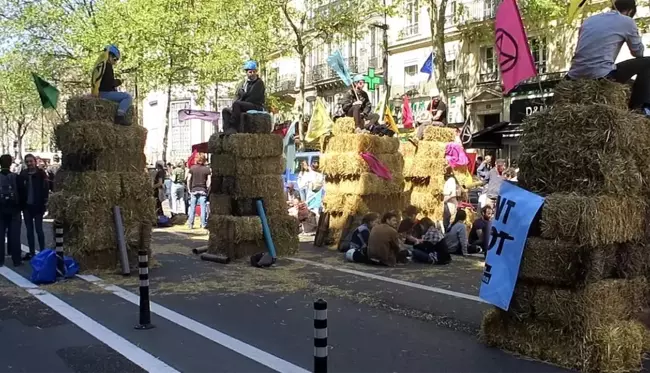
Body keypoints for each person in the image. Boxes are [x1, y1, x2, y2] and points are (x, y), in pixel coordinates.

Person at [567, 0, 649, 113]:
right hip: (600, 75)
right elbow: (638, 53)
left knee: (628, 82)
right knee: (648, 63)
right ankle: (640, 109)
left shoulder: (589, 20)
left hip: (574, 76)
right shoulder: (627, 21)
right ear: (630, 11)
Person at [93, 45, 133, 125]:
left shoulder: (100, 65)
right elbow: (109, 83)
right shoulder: (107, 66)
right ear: (110, 55)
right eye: (115, 59)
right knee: (127, 97)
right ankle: (120, 117)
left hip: (100, 92)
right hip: (104, 93)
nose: (115, 62)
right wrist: (118, 82)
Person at [222, 60, 265, 133]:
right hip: (245, 104)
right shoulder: (244, 83)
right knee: (225, 110)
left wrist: (242, 96)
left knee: (237, 104)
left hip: (256, 105)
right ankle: (227, 130)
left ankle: (233, 127)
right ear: (247, 73)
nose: (252, 74)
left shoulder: (259, 83)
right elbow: (237, 95)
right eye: (250, 72)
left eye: (254, 72)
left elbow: (253, 97)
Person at [20, 154, 49, 260]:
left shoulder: (41, 174)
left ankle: (42, 252)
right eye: (27, 162)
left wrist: (45, 203)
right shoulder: (23, 174)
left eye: (30, 161)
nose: (29, 163)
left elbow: (46, 189)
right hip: (27, 206)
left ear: (35, 162)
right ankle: (31, 252)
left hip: (38, 205)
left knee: (39, 229)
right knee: (29, 231)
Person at [0, 154, 23, 267]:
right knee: (15, 236)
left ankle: (0, 260)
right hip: (14, 210)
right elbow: (22, 193)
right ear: (10, 164)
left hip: (1, 210)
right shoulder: (16, 177)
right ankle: (16, 260)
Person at [187, 154, 211, 229]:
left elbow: (188, 179)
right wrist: (207, 189)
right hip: (203, 190)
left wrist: (189, 188)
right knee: (203, 208)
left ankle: (190, 224)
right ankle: (203, 224)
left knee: (192, 207)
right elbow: (209, 181)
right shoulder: (207, 169)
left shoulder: (192, 168)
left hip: (194, 190)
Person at [442, 166, 462, 231]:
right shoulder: (449, 180)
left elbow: (453, 194)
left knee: (448, 223)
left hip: (450, 204)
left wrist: (445, 200)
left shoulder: (451, 180)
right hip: (448, 203)